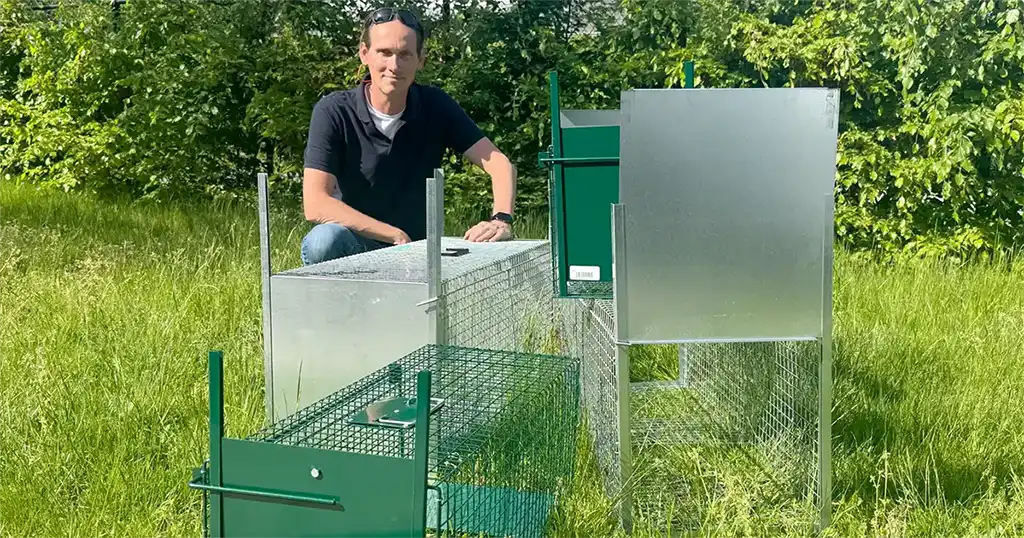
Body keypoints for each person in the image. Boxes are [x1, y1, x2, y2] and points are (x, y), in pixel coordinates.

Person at [299, 7, 517, 265]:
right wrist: (392, 235)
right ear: (364, 54)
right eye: (385, 53)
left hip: (417, 251)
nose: (394, 65)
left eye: (404, 54)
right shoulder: (334, 111)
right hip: (355, 245)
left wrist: (501, 219)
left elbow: (499, 164)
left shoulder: (435, 106)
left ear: (420, 59)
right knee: (322, 242)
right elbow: (316, 204)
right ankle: (334, 305)